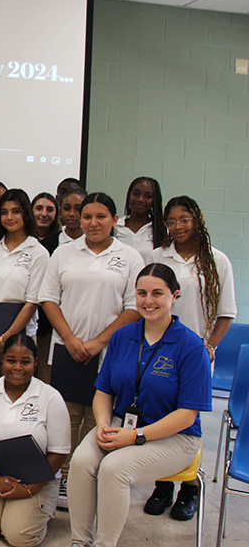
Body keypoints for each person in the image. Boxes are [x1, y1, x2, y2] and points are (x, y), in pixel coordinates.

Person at [68, 263, 211, 547]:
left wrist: (135, 436)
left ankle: (103, 544)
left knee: (114, 469)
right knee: (82, 461)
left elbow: (187, 415)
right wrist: (103, 424)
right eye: (142, 293)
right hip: (122, 425)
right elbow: (104, 391)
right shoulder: (123, 336)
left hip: (176, 437)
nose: (148, 301)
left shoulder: (192, 347)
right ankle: (79, 541)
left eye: (157, 293)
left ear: (174, 296)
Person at [39, 192, 144, 507]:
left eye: (101, 217)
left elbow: (134, 307)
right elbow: (49, 299)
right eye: (87, 217)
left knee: (99, 418)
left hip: (112, 352)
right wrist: (70, 339)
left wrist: (99, 342)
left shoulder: (130, 257)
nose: (93, 223)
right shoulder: (64, 253)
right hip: (67, 349)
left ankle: (90, 479)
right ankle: (62, 479)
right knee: (65, 418)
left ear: (114, 220)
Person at [145, 195, 236, 519]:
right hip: (158, 352)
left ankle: (190, 490)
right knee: (158, 417)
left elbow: (226, 313)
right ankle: (163, 486)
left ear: (196, 219)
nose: (177, 226)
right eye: (171, 221)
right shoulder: (158, 256)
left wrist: (209, 346)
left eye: (184, 219)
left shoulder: (216, 260)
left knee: (189, 424)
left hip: (195, 354)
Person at [0, 335, 70, 546]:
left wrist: (31, 488)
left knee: (19, 536)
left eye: (25, 362)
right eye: (11, 360)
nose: (17, 367)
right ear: (2, 360)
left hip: (35, 480)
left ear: (35, 363)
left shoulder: (50, 397)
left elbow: (60, 451)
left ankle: (35, 509)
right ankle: (0, 508)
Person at [0, 189, 49, 388]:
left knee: (16, 394)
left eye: (15, 211)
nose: (9, 217)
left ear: (26, 214)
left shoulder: (37, 252)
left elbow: (32, 303)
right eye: (4, 212)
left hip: (20, 338)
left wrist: (5, 338)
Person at [35, 187, 87, 382]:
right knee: (50, 383)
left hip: (88, 328)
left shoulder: (97, 245)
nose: (72, 214)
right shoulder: (46, 246)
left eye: (78, 208)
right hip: (50, 330)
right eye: (67, 208)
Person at [114, 177, 163, 262]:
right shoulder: (115, 227)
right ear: (129, 195)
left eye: (148, 196)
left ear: (155, 200)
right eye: (136, 194)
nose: (140, 199)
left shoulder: (161, 230)